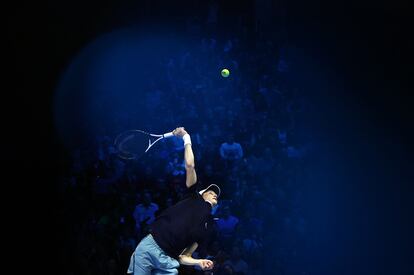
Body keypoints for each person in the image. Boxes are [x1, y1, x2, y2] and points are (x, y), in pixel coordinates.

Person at [127, 127, 221, 274]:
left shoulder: (208, 226)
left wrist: (199, 262)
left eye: (216, 194)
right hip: (150, 247)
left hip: (168, 261)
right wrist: (186, 137)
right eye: (210, 191)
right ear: (202, 193)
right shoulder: (193, 196)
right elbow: (190, 165)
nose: (214, 194)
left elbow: (184, 257)